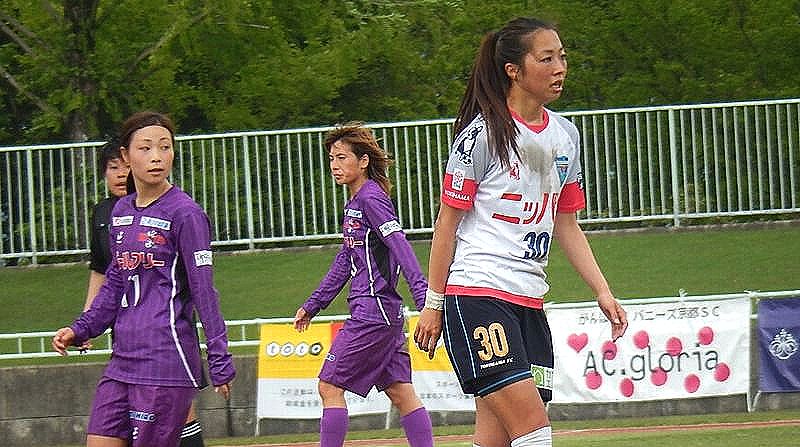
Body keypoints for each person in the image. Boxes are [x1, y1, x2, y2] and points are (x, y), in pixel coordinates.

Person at [413, 17, 629, 447]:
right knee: (533, 429)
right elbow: (446, 224)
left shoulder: (565, 135)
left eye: (562, 57)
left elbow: (566, 222)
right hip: (479, 295)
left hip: (529, 301)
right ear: (513, 70)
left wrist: (602, 291)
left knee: (495, 437)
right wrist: (434, 304)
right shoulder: (481, 136)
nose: (559, 68)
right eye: (546, 59)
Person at [52, 111, 235, 447]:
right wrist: (81, 328)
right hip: (122, 360)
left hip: (165, 359)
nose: (156, 157)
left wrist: (219, 357)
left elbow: (204, 292)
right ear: (126, 156)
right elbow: (114, 283)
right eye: (146, 148)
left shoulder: (186, 214)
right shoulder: (120, 212)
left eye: (165, 147)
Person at [293, 123, 434, 447]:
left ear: (364, 161)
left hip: (373, 312)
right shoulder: (356, 203)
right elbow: (345, 260)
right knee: (401, 392)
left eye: (342, 157)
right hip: (384, 313)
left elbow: (400, 245)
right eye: (332, 158)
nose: (334, 165)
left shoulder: (371, 199)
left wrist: (423, 296)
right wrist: (313, 304)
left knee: (329, 386)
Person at [82, 138, 209, 446]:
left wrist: (219, 351)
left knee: (179, 413)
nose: (119, 174)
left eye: (122, 167)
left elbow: (202, 285)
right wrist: (85, 323)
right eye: (112, 168)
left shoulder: (179, 210)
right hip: (126, 336)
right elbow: (105, 271)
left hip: (165, 335)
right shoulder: (106, 213)